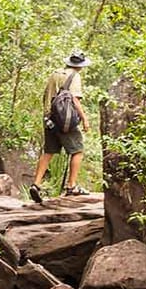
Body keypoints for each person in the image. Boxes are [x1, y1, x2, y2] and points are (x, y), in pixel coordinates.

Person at [31, 50, 93, 205]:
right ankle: (71, 186)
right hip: (66, 121)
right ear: (80, 65)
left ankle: (36, 184)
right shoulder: (75, 76)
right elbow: (75, 101)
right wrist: (85, 119)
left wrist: (47, 116)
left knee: (49, 151)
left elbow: (46, 96)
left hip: (50, 119)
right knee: (77, 150)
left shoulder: (55, 74)